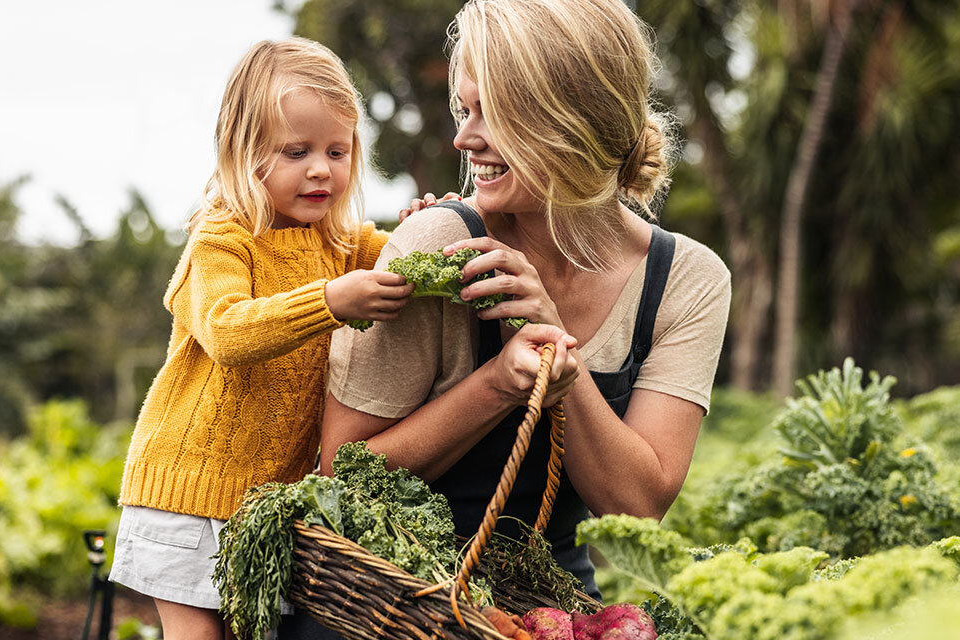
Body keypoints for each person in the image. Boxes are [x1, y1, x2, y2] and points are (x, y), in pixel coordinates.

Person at [320, 0, 730, 606]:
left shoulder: (686, 281)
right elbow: (338, 476)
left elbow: (637, 513)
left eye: (492, 113)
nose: (463, 137)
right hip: (387, 600)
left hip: (547, 605)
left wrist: (552, 337)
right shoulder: (438, 244)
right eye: (465, 108)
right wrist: (497, 386)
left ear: (568, 120)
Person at [109, 38, 415, 640]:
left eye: (337, 149)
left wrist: (432, 220)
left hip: (264, 510)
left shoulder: (345, 243)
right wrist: (329, 301)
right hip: (189, 494)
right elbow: (227, 330)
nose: (322, 168)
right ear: (246, 154)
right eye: (297, 151)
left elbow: (410, 258)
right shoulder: (222, 239)